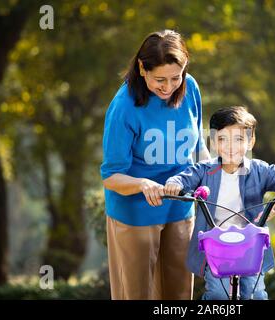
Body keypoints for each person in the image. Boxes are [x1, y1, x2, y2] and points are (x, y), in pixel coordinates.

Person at [100, 30, 210, 300]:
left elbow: (199, 146)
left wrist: (213, 175)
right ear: (142, 68)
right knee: (138, 294)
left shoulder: (190, 88)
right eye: (160, 79)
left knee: (179, 295)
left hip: (181, 207)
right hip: (135, 213)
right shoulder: (124, 106)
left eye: (176, 77)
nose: (168, 86)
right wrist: (142, 184)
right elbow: (111, 176)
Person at [164, 106, 275, 299]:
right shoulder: (204, 169)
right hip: (216, 247)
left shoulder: (259, 170)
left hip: (250, 247)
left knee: (256, 293)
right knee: (218, 294)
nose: (231, 146)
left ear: (251, 141)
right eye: (223, 139)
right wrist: (174, 184)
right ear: (214, 142)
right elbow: (183, 178)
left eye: (239, 139)